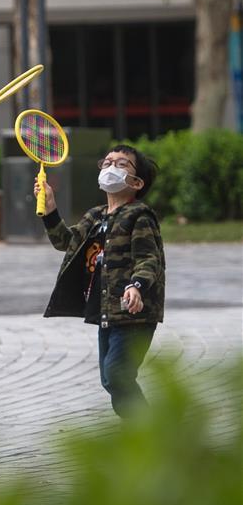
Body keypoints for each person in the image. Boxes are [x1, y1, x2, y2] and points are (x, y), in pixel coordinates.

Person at [34, 144, 164, 418]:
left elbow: (148, 259)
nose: (110, 167)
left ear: (136, 182)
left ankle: (149, 431)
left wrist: (137, 286)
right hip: (107, 311)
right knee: (110, 378)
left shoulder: (139, 215)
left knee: (118, 375)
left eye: (121, 164)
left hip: (134, 313)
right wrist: (51, 208)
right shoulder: (95, 216)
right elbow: (66, 243)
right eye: (106, 163)